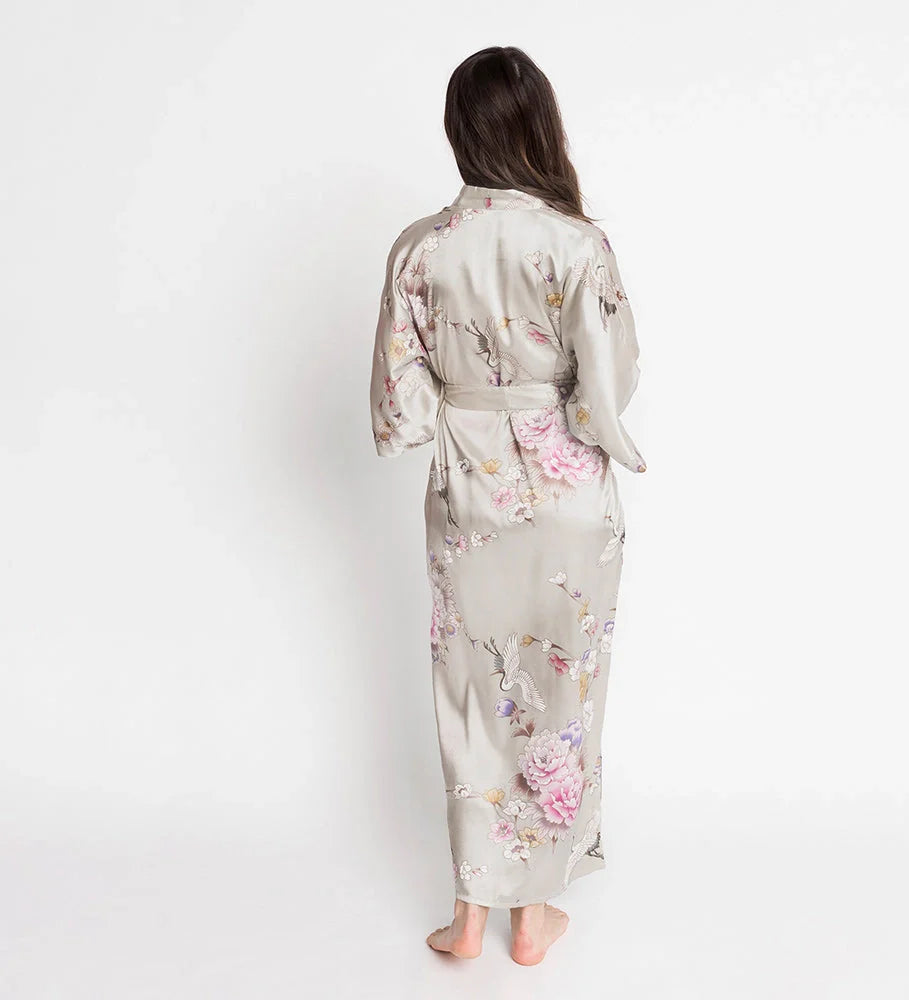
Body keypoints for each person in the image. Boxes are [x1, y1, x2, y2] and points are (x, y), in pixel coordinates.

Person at [369, 45, 646, 965]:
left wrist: (465, 409)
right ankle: (532, 919)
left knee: (471, 694)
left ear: (460, 130)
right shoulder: (577, 244)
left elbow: (403, 403)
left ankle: (469, 918)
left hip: (469, 494)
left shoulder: (422, 245)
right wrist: (562, 410)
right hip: (571, 505)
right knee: (562, 693)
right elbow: (611, 382)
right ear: (539, 126)